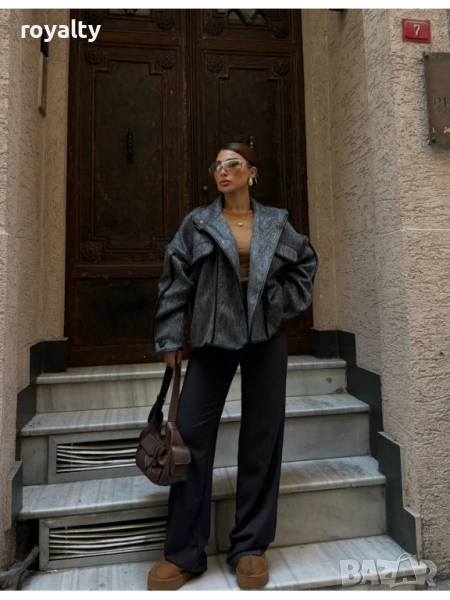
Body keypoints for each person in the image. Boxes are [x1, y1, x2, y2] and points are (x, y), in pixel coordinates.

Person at [148, 142, 318, 591]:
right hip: (212, 337)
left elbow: (305, 263)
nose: (223, 171)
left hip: (265, 337)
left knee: (262, 436)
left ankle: (250, 546)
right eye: (218, 166)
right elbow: (174, 279)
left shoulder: (275, 221)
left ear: (251, 173)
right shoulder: (199, 223)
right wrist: (170, 337)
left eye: (233, 165)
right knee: (190, 435)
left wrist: (279, 303)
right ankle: (184, 551)